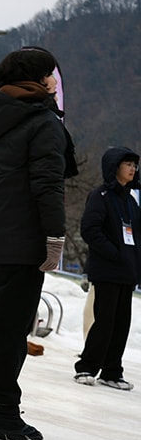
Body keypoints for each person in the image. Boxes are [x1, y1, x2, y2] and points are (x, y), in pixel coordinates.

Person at [0, 47, 73, 440]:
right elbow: (48, 185)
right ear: (39, 79)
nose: (57, 82)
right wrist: (54, 238)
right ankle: (3, 413)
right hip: (22, 242)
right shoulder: (41, 123)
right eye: (52, 74)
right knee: (11, 330)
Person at [74, 146, 140, 390]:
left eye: (135, 165)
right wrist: (116, 254)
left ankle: (112, 371)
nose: (133, 169)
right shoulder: (100, 196)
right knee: (104, 320)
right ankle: (87, 367)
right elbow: (90, 230)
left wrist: (133, 262)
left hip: (126, 272)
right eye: (128, 164)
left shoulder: (131, 201)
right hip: (107, 270)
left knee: (121, 323)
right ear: (115, 167)